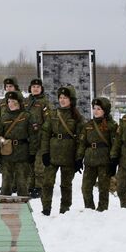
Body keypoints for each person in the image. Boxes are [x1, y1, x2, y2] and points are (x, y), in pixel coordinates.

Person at [40, 86, 84, 216]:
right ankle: (46, 208)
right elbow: (45, 134)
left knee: (66, 185)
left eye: (65, 98)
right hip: (52, 154)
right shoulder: (53, 114)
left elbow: (81, 140)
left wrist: (78, 159)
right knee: (47, 183)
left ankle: (65, 210)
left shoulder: (77, 117)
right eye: (60, 98)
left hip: (68, 155)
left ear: (71, 100)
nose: (62, 100)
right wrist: (45, 153)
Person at [0, 90, 38, 197]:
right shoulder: (3, 117)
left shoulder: (27, 116)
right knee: (6, 185)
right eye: (9, 101)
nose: (10, 104)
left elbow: (33, 137)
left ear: (19, 102)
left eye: (13, 101)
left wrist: (32, 153)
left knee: (22, 184)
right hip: (6, 155)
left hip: (22, 155)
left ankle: (22, 209)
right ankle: (4, 209)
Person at [77, 97, 118, 211]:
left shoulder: (112, 125)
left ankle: (102, 210)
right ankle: (89, 209)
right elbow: (82, 143)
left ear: (105, 110)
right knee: (86, 188)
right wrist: (79, 158)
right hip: (90, 161)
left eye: (99, 109)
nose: (95, 111)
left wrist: (114, 160)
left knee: (103, 189)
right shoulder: (88, 125)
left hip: (104, 161)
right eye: (94, 108)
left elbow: (115, 144)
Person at [24, 78, 52, 199]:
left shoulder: (44, 102)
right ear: (30, 88)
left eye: (38, 87)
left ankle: (39, 187)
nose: (35, 89)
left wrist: (40, 130)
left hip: (40, 138)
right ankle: (30, 186)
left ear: (41, 89)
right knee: (29, 163)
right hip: (28, 138)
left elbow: (48, 121)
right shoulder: (26, 102)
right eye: (33, 87)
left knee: (39, 165)